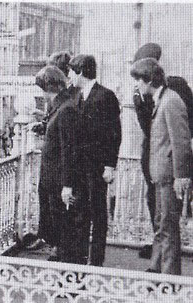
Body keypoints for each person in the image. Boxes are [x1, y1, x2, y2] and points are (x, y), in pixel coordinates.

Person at [130, 58, 192, 275]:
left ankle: (169, 279)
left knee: (167, 228)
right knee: (161, 225)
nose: (136, 85)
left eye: (138, 80)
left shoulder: (171, 101)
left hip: (167, 177)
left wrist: (181, 177)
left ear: (148, 80)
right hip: (161, 176)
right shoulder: (163, 99)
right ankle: (157, 269)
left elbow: (181, 141)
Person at [68, 54, 122, 266]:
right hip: (82, 167)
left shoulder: (105, 96)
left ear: (81, 71)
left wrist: (110, 165)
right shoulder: (80, 96)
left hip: (98, 167)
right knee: (81, 214)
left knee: (98, 215)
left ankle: (96, 262)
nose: (70, 76)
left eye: (72, 71)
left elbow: (114, 133)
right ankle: (81, 260)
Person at [33, 66, 87, 263]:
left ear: (49, 87)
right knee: (58, 227)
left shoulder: (66, 110)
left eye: (42, 90)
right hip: (53, 179)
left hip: (58, 182)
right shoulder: (62, 106)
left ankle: (68, 276)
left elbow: (69, 151)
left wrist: (67, 185)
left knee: (64, 230)